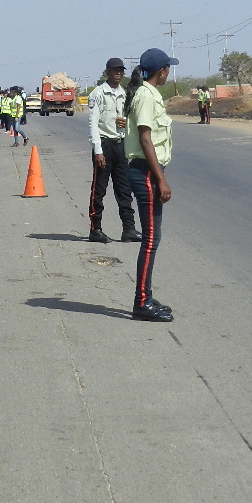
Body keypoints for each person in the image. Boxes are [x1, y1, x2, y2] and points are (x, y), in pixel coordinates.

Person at [123, 48, 178, 323]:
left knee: (151, 239)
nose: (169, 72)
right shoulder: (146, 95)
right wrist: (161, 179)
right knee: (150, 240)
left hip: (147, 171)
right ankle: (141, 303)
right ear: (162, 70)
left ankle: (146, 294)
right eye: (169, 68)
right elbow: (146, 139)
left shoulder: (146, 93)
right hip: (146, 172)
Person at [87, 58, 142, 244]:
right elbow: (93, 123)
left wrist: (125, 124)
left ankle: (129, 229)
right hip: (104, 145)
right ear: (107, 72)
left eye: (121, 70)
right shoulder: (98, 93)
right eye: (115, 70)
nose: (118, 73)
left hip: (120, 145)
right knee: (99, 190)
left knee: (124, 190)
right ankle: (96, 229)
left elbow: (128, 119)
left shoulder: (124, 93)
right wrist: (98, 150)